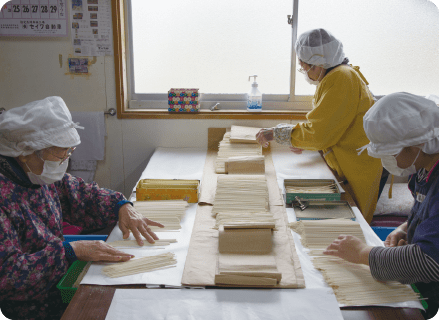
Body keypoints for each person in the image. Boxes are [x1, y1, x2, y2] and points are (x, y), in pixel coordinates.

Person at [0, 96, 164, 320]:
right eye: (60, 153)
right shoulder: (5, 195)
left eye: (69, 152)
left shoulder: (36, 174)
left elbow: (81, 195)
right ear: (25, 151)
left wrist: (120, 205)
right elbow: (8, 277)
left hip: (56, 286)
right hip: (29, 309)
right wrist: (70, 251)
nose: (65, 160)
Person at [324, 92, 439, 319]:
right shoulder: (425, 168)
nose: (387, 160)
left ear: (414, 147)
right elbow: (428, 212)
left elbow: (430, 262)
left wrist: (363, 253)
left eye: (390, 153)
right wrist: (405, 228)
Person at [256, 28, 383, 223]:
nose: (304, 72)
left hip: (357, 166)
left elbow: (320, 133)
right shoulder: (339, 75)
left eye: (304, 67)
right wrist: (304, 141)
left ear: (317, 65)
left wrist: (276, 133)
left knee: (353, 224)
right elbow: (330, 124)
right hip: (350, 159)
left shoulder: (340, 78)